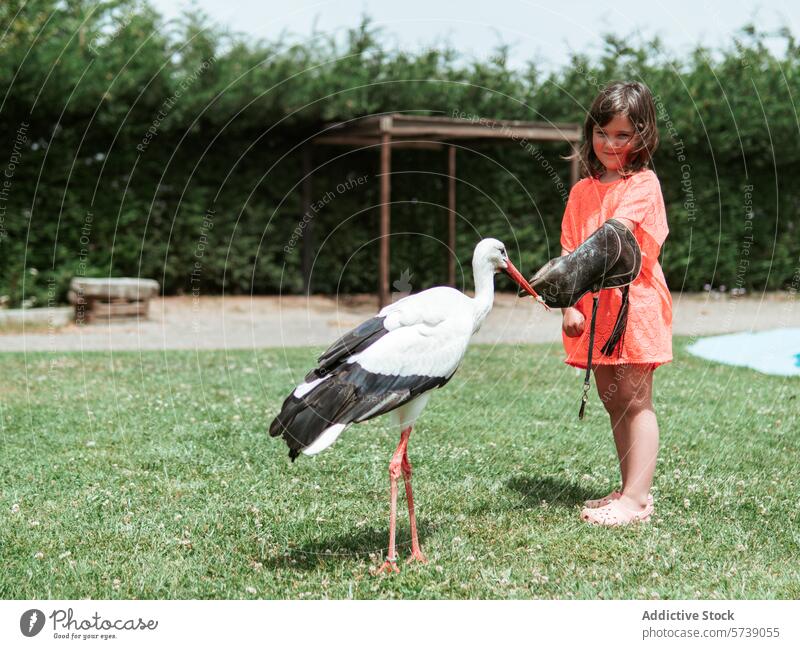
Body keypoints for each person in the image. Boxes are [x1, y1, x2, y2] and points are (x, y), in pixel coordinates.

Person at [560, 81, 672, 526]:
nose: (609, 144)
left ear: (642, 135)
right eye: (602, 133)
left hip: (635, 307)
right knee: (612, 399)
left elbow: (612, 240)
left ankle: (638, 501)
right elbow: (572, 250)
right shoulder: (581, 191)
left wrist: (566, 281)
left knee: (635, 399)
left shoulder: (643, 184)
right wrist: (568, 302)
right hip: (595, 310)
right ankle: (628, 488)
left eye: (622, 135)